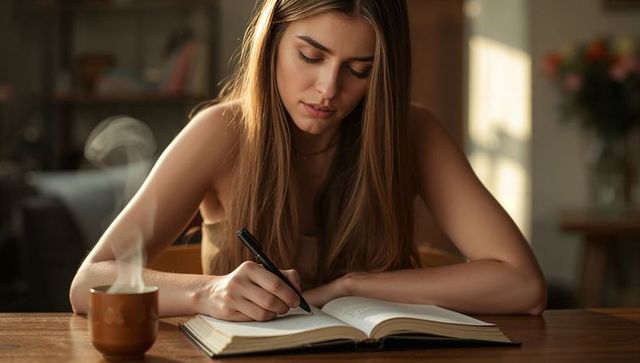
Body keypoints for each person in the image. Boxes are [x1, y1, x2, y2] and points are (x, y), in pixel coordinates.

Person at [69, 0, 546, 321]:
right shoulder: (222, 133)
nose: (328, 90)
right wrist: (205, 292)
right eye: (310, 56)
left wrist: (352, 286)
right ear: (272, 41)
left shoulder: (412, 132)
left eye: (360, 70)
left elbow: (522, 284)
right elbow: (90, 281)